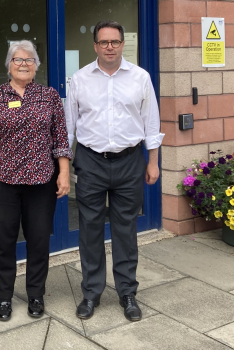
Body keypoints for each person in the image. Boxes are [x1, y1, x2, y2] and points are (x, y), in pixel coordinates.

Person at [65, 20, 164, 322]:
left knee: (125, 230)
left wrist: (153, 161)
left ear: (123, 44)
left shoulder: (140, 78)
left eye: (115, 42)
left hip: (129, 161)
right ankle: (91, 293)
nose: (110, 47)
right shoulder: (79, 79)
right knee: (90, 230)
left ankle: (127, 293)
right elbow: (70, 128)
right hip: (91, 162)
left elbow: (152, 123)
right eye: (104, 42)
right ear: (94, 45)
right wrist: (64, 168)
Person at [0, 40, 72, 321]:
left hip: (41, 181)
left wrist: (64, 173)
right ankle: (3, 297)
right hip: (1, 178)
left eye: (29, 59)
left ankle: (36, 294)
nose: (23, 63)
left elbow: (60, 139)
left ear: (36, 66)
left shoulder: (49, 96)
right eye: (17, 59)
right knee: (3, 240)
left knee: (38, 240)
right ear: (9, 66)